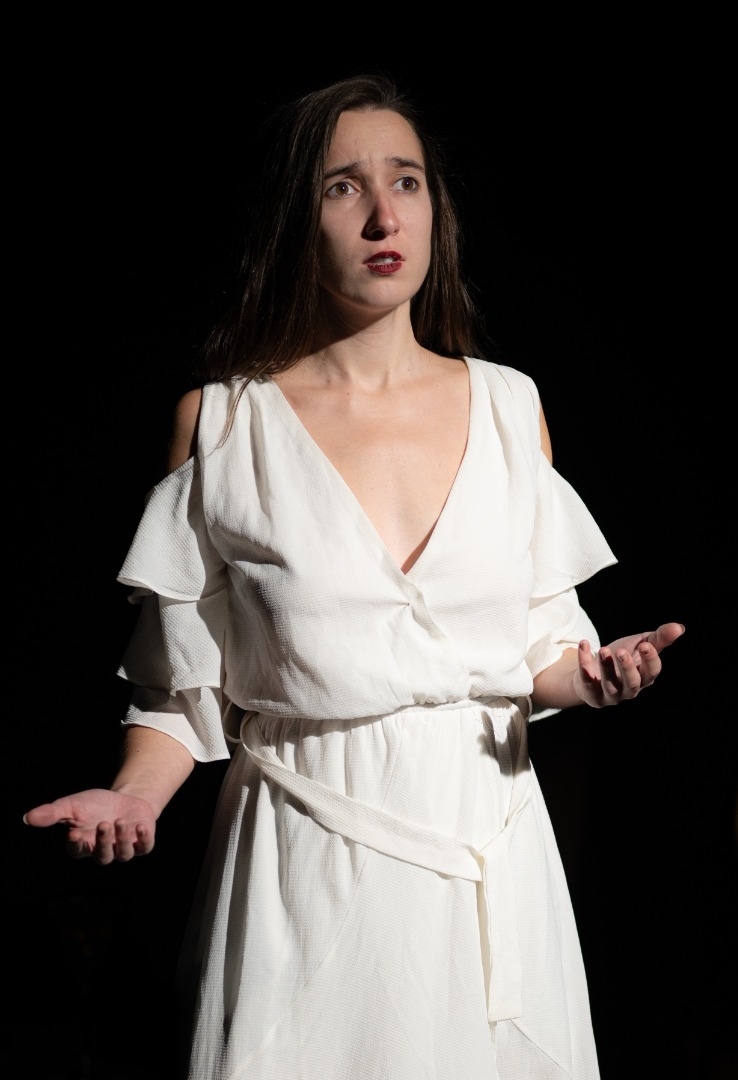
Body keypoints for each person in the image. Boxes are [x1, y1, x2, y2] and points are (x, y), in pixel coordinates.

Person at [24, 73, 684, 1080]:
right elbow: (181, 692)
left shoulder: (511, 407)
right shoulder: (227, 424)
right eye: (343, 187)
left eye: (406, 181)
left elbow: (543, 651)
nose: (384, 215)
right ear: (296, 219)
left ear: (436, 209)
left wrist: (592, 676)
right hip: (305, 855)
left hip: (492, 857)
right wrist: (135, 798)